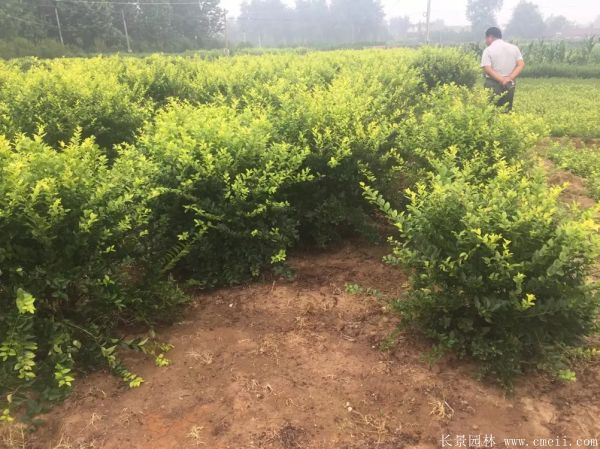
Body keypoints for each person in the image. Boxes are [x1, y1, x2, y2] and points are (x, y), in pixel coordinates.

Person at [481, 27, 525, 112]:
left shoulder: (488, 50)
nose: (485, 41)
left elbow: (487, 69)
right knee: (506, 110)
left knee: (491, 110)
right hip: (509, 83)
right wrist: (509, 78)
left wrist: (501, 79)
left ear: (490, 37)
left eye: (486, 38)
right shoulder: (514, 48)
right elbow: (521, 64)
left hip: (492, 83)